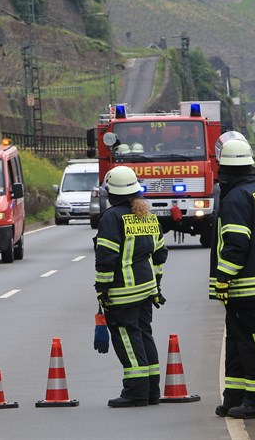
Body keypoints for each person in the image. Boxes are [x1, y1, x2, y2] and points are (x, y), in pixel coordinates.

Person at [209, 134, 255, 420]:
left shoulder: (235, 198)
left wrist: (223, 278)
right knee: (238, 344)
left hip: (246, 285)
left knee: (252, 342)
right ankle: (235, 397)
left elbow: (236, 245)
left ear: (224, 168)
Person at [94, 166, 169, 408]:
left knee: (127, 339)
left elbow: (106, 257)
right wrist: (156, 286)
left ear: (111, 192)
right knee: (144, 335)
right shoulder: (148, 215)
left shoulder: (111, 217)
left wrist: (102, 288)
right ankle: (152, 390)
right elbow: (160, 254)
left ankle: (136, 392)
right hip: (146, 290)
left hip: (123, 292)